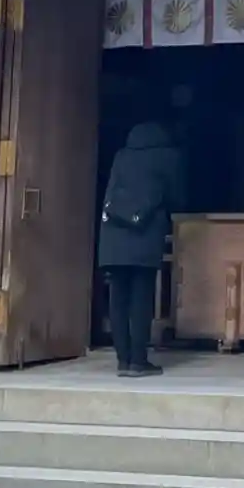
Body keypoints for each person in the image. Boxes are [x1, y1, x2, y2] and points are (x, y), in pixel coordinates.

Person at [98, 119, 183, 377]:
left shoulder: (121, 156)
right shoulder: (168, 157)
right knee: (141, 299)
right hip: (145, 233)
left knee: (117, 299)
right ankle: (139, 360)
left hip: (113, 234)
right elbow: (177, 196)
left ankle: (123, 361)